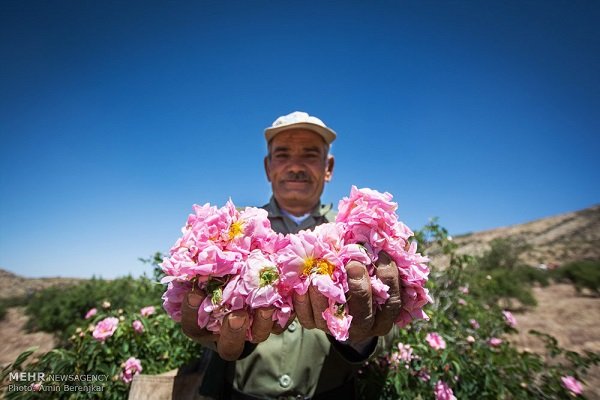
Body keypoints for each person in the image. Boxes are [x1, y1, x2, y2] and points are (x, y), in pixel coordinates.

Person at [132, 111, 402, 400]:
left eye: (310, 155)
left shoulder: (362, 234)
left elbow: (390, 322)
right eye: (283, 154)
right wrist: (213, 329)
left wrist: (363, 337)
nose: (296, 165)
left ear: (328, 167)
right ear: (267, 166)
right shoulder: (235, 232)